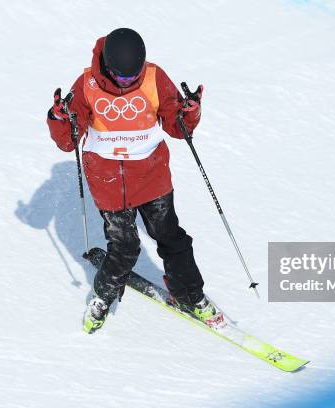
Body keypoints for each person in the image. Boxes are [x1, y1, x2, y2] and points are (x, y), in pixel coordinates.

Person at [47, 28, 223, 333]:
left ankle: (191, 295)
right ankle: (103, 296)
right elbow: (68, 142)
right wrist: (60, 117)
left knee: (171, 237)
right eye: (122, 78)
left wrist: (188, 112)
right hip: (108, 180)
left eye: (135, 76)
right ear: (108, 66)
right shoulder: (87, 84)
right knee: (125, 246)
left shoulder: (155, 77)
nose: (129, 83)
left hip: (151, 174)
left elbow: (177, 126)